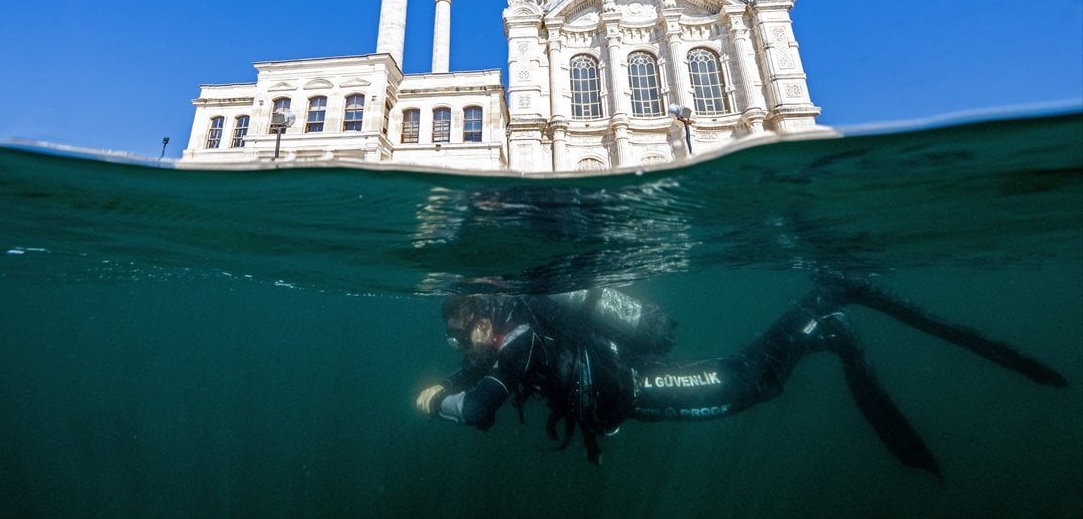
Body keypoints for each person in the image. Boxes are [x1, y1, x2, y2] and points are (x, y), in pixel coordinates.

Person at [415, 272, 1069, 474]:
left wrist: (436, 402)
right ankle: (823, 322)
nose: (462, 344)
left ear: (482, 314)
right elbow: (483, 376)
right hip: (635, 385)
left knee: (753, 382)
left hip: (644, 387)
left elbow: (479, 408)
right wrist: (454, 380)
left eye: (460, 331)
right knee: (749, 378)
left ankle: (822, 308)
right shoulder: (519, 335)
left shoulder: (521, 338)